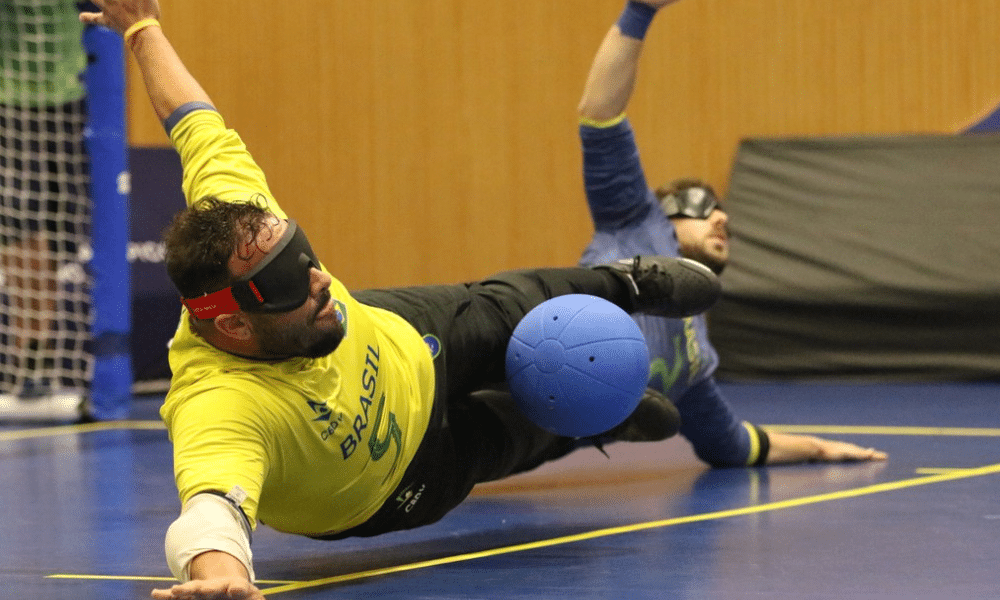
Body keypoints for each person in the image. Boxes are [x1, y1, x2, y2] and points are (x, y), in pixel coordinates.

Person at [79, 1, 723, 598]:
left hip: (402, 335)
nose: (319, 279)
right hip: (399, 480)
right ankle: (595, 416)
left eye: (301, 254)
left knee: (511, 302)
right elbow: (210, 509)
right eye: (284, 286)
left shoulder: (248, 228)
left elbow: (192, 122)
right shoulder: (220, 404)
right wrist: (220, 575)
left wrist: (141, 29)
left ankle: (632, 282)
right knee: (526, 428)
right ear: (235, 328)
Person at [576, 0, 889, 465]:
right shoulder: (635, 223)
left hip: (509, 444)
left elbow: (733, 445)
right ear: (663, 214)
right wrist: (640, 12)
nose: (722, 219)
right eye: (703, 207)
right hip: (503, 370)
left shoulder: (695, 362)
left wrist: (817, 447)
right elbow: (599, 115)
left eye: (724, 213)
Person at [0, 0, 90, 412]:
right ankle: (28, 363)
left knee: (55, 234)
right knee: (22, 231)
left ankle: (40, 363)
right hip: (10, 97)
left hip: (68, 94)